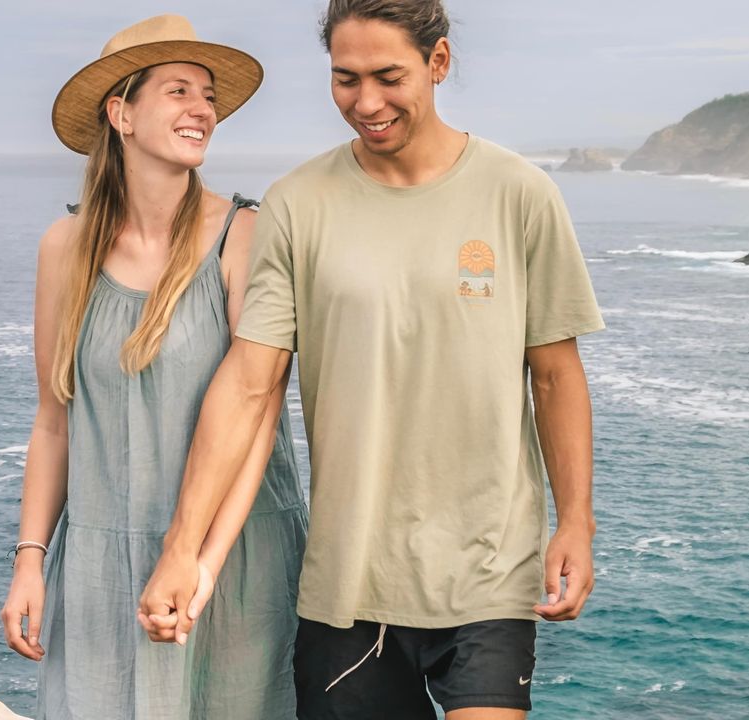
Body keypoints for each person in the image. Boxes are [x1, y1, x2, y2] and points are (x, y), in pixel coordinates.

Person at [138, 1, 604, 718]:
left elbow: (555, 373)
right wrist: (182, 547)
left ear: (438, 63)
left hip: (487, 571)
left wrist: (576, 521)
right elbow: (248, 386)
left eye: (388, 77)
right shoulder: (298, 204)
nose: (366, 102)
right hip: (347, 583)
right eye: (345, 80)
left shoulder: (520, 194)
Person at [0, 14, 308, 720]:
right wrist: (29, 562)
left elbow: (258, 414)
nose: (203, 109)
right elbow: (54, 422)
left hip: (236, 560)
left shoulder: (245, 236)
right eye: (178, 91)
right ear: (122, 113)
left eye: (208, 97)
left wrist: (198, 565)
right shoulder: (64, 248)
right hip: (100, 569)